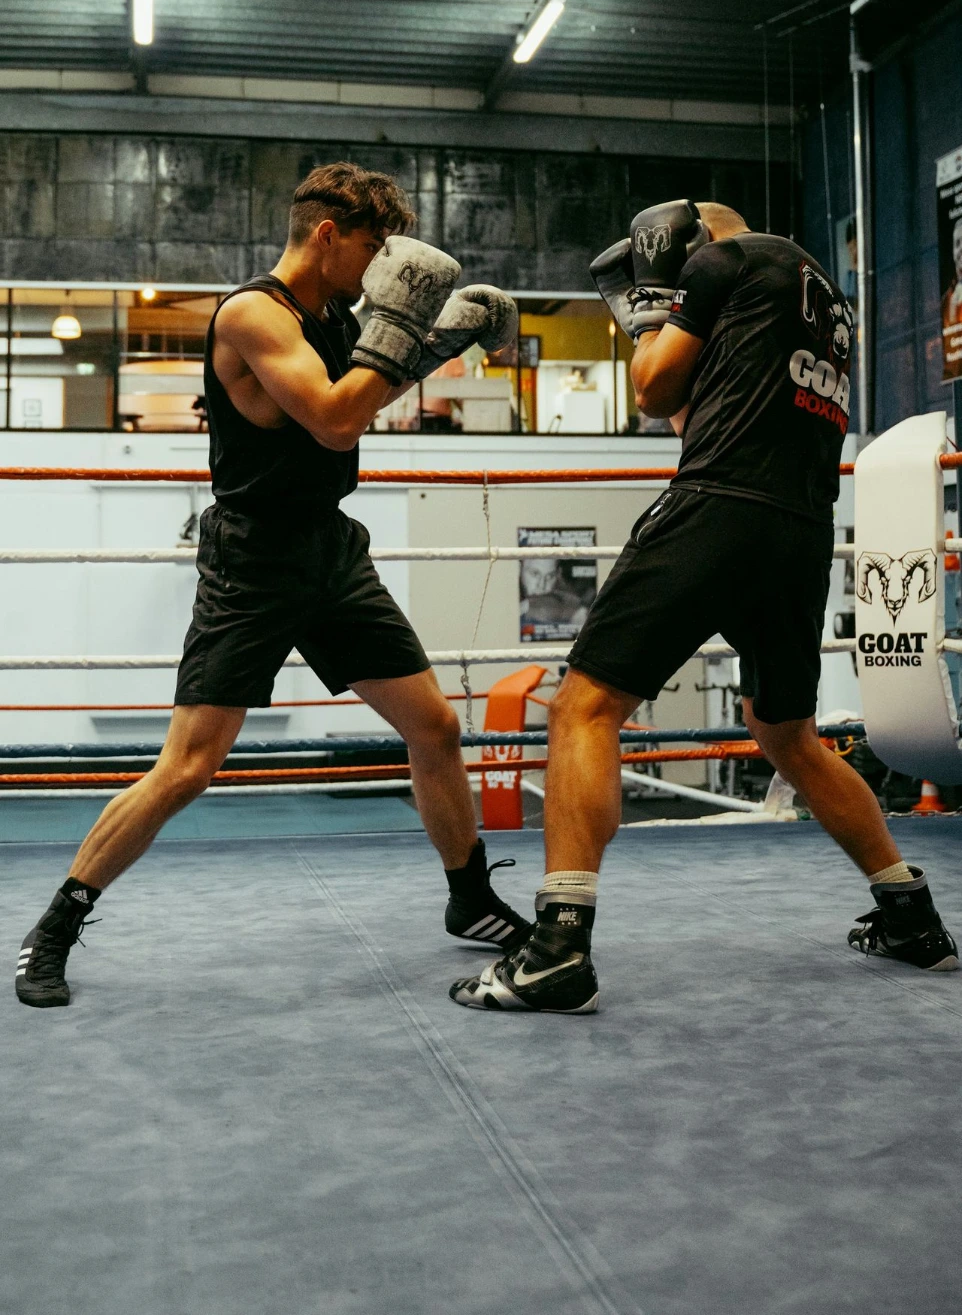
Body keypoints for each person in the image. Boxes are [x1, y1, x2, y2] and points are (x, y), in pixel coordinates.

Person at [16, 161, 527, 1009]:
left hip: (329, 550)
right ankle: (56, 924)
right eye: (370, 246)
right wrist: (408, 325)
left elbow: (363, 393)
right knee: (187, 767)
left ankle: (468, 897)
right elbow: (333, 419)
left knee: (434, 725)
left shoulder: (332, 316)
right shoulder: (254, 313)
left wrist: (439, 343)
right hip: (253, 562)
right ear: (326, 235)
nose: (377, 267)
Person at [452, 198, 959, 1015]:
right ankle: (911, 913)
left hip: (719, 508)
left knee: (585, 707)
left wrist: (658, 298)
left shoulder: (720, 262)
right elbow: (704, 408)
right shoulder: (824, 301)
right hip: (799, 530)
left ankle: (555, 946)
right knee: (788, 735)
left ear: (693, 245)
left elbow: (654, 394)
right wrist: (663, 319)